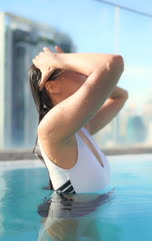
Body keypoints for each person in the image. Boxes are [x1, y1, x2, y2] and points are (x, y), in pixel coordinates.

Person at [29, 46, 127, 194]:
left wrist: (62, 62)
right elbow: (112, 64)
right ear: (52, 86)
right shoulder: (51, 129)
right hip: (69, 217)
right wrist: (56, 60)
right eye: (73, 70)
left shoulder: (82, 128)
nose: (83, 72)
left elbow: (121, 96)